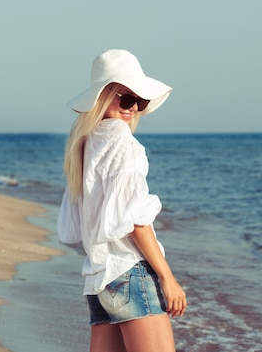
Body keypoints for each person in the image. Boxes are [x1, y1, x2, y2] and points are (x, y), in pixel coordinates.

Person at [58, 49, 187, 352]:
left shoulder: (85, 144)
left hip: (99, 278)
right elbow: (135, 221)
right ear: (103, 97)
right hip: (129, 272)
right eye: (126, 99)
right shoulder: (121, 141)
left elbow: (78, 225)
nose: (133, 108)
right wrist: (168, 278)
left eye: (139, 102)